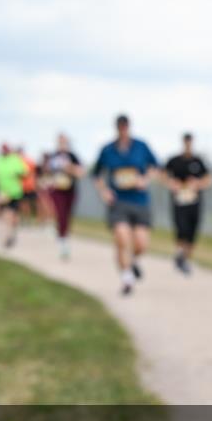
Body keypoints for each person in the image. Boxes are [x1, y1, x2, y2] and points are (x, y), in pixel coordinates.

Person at [92, 114, 159, 295]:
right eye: (120, 126)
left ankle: (132, 261)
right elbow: (96, 175)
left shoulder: (141, 146)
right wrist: (104, 191)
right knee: (122, 237)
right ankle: (127, 278)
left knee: (141, 244)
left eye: (125, 126)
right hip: (118, 201)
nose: (123, 129)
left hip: (139, 200)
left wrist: (145, 180)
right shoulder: (107, 150)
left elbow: (154, 167)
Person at [164, 132, 212, 274]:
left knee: (192, 232)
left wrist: (198, 184)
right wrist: (171, 183)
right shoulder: (174, 161)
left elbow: (208, 179)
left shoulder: (198, 161)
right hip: (179, 202)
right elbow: (163, 174)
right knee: (181, 229)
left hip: (194, 202)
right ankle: (180, 255)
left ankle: (184, 259)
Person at [42, 134, 84, 260]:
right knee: (60, 213)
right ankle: (62, 240)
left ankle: (64, 236)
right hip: (57, 190)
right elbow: (46, 172)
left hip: (70, 190)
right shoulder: (53, 157)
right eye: (60, 142)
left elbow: (81, 172)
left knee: (67, 215)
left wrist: (69, 168)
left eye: (64, 142)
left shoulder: (72, 156)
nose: (62, 144)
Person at [0, 143, 28, 248]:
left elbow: (24, 172)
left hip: (14, 192)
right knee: (5, 215)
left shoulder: (15, 159)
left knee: (13, 215)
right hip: (1, 192)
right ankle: (6, 237)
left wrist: (16, 174)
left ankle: (12, 232)